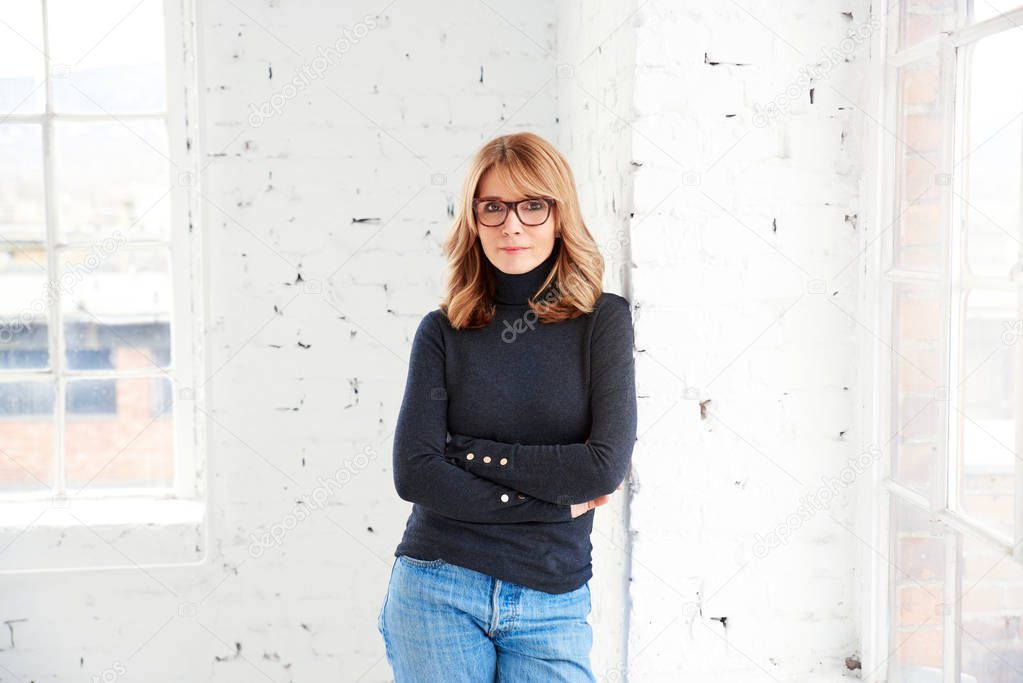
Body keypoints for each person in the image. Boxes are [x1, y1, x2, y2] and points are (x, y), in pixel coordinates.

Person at [377, 131, 637, 682]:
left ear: (559, 213)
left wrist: (465, 454)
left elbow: (601, 468)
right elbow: (415, 473)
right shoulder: (443, 331)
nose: (511, 225)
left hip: (552, 597)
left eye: (531, 205)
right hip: (437, 588)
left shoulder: (602, 323)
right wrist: (550, 504)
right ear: (473, 219)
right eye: (492, 207)